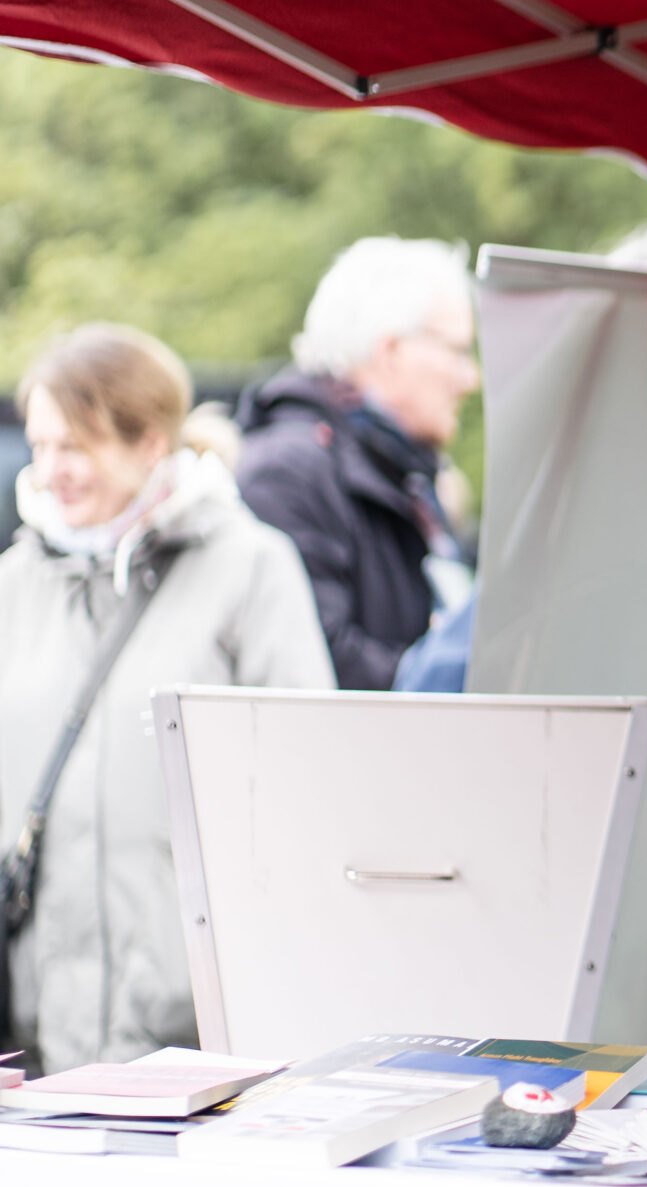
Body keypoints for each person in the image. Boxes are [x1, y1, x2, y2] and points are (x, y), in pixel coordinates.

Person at [0, 325, 333, 1070]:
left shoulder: (251, 568)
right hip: (36, 1039)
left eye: (76, 446)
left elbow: (310, 781)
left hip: (199, 1037)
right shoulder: (13, 585)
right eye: (41, 444)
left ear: (151, 442)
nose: (51, 469)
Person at [234, 237, 480, 690]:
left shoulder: (401, 471)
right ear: (391, 353)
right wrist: (463, 682)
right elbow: (316, 662)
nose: (471, 378)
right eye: (458, 351)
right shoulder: (287, 473)